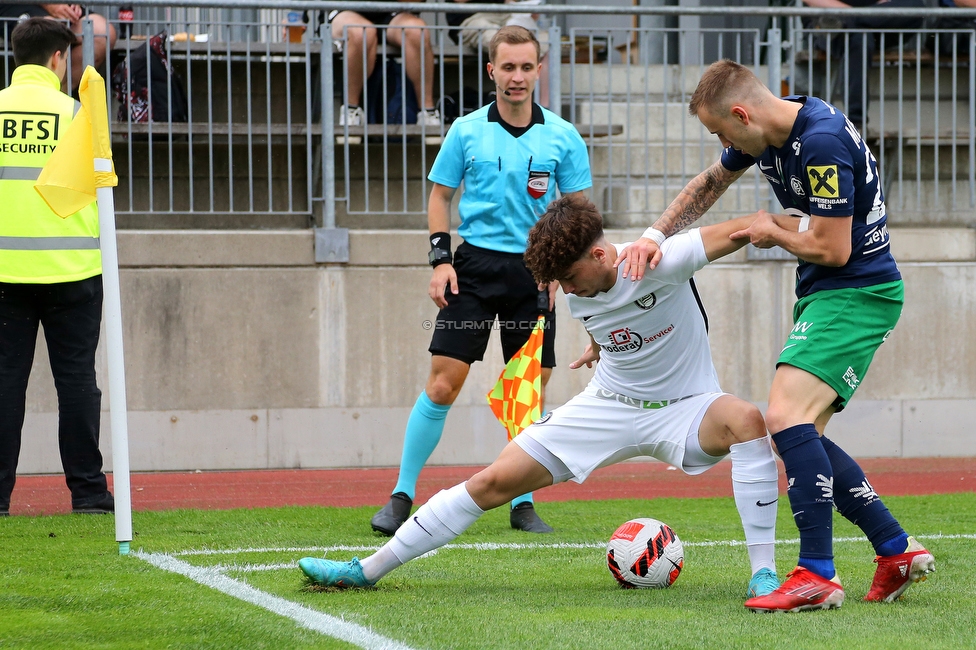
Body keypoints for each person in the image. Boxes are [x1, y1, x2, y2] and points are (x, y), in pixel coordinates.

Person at [299, 194, 782, 601]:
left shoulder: (662, 259)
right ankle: (366, 570)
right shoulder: (574, 286)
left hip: (686, 408)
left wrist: (805, 234)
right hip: (607, 407)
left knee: (745, 418)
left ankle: (763, 574)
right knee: (490, 482)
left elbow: (745, 227)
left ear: (599, 256)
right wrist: (600, 345)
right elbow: (614, 317)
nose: (566, 291)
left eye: (569, 278)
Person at [615, 59, 934, 612]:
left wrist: (771, 230)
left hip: (855, 294)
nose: (721, 142)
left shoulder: (822, 142)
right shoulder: (771, 131)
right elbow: (711, 182)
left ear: (741, 113)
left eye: (719, 130)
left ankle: (817, 574)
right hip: (834, 294)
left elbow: (835, 250)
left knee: (783, 418)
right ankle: (894, 548)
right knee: (801, 435)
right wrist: (652, 236)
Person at [368, 25, 591, 537]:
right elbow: (440, 197)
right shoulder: (466, 130)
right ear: (491, 71)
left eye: (525, 66)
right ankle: (402, 495)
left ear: (539, 70)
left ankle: (523, 501)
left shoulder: (562, 136)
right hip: (472, 270)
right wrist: (440, 260)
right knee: (444, 384)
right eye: (507, 67)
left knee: (525, 393)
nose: (516, 76)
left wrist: (562, 270)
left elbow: (579, 213)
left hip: (533, 273)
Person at [0, 17, 113, 516]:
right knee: (77, 385)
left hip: (5, 274)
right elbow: (101, 190)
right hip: (73, 271)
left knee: (4, 386)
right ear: (57, 59)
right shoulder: (77, 115)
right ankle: (89, 495)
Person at [799, 0, 925, 129]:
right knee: (860, 39)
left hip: (869, 23)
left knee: (916, 7)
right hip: (831, 28)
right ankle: (856, 124)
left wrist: (853, 15)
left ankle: (851, 21)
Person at [329, 2, 441, 130]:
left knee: (417, 31)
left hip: (392, 11)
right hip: (342, 10)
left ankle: (427, 112)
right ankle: (351, 110)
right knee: (360, 32)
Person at [447, 0, 551, 106]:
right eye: (509, 68)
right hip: (473, 15)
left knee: (548, 41)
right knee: (503, 45)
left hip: (507, 10)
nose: (518, 78)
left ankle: (544, 110)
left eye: (527, 68)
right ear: (490, 70)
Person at [0, 4, 117, 92]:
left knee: (102, 30)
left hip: (60, 5)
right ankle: (36, 98)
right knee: (47, 30)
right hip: (16, 4)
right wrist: (49, 4)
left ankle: (59, 96)